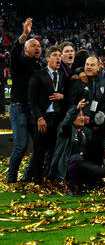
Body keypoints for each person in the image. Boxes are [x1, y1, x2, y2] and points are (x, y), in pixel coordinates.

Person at [8, 18, 43, 183]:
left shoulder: (40, 67)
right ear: (26, 49)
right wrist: (24, 34)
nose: (37, 48)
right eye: (33, 45)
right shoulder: (19, 62)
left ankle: (27, 176)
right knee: (21, 146)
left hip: (33, 110)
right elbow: (14, 51)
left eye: (39, 46)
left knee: (39, 146)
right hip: (19, 108)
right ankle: (12, 179)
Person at [49, 99, 105, 196]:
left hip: (81, 163)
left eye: (82, 115)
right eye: (78, 116)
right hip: (65, 165)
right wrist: (76, 109)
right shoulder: (65, 130)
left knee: (101, 171)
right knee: (76, 158)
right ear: (71, 117)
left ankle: (85, 183)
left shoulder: (86, 131)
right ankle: (70, 187)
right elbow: (66, 123)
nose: (82, 118)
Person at [27, 46, 67, 183]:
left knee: (53, 150)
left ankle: (50, 177)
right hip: (42, 119)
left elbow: (67, 97)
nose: (58, 58)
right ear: (47, 58)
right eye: (55, 55)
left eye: (59, 55)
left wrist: (63, 96)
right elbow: (31, 101)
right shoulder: (38, 75)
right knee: (39, 150)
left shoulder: (61, 76)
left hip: (57, 119)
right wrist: (39, 117)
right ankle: (37, 180)